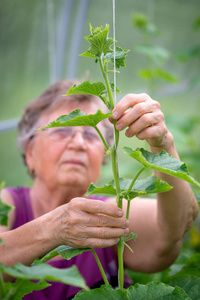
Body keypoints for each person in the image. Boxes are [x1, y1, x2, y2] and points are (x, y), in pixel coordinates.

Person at [0, 79, 198, 299]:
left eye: (91, 134)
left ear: (105, 155)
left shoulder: (110, 213)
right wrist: (52, 228)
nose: (78, 143)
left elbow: (174, 229)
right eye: (62, 131)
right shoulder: (6, 205)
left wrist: (163, 144)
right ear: (30, 153)